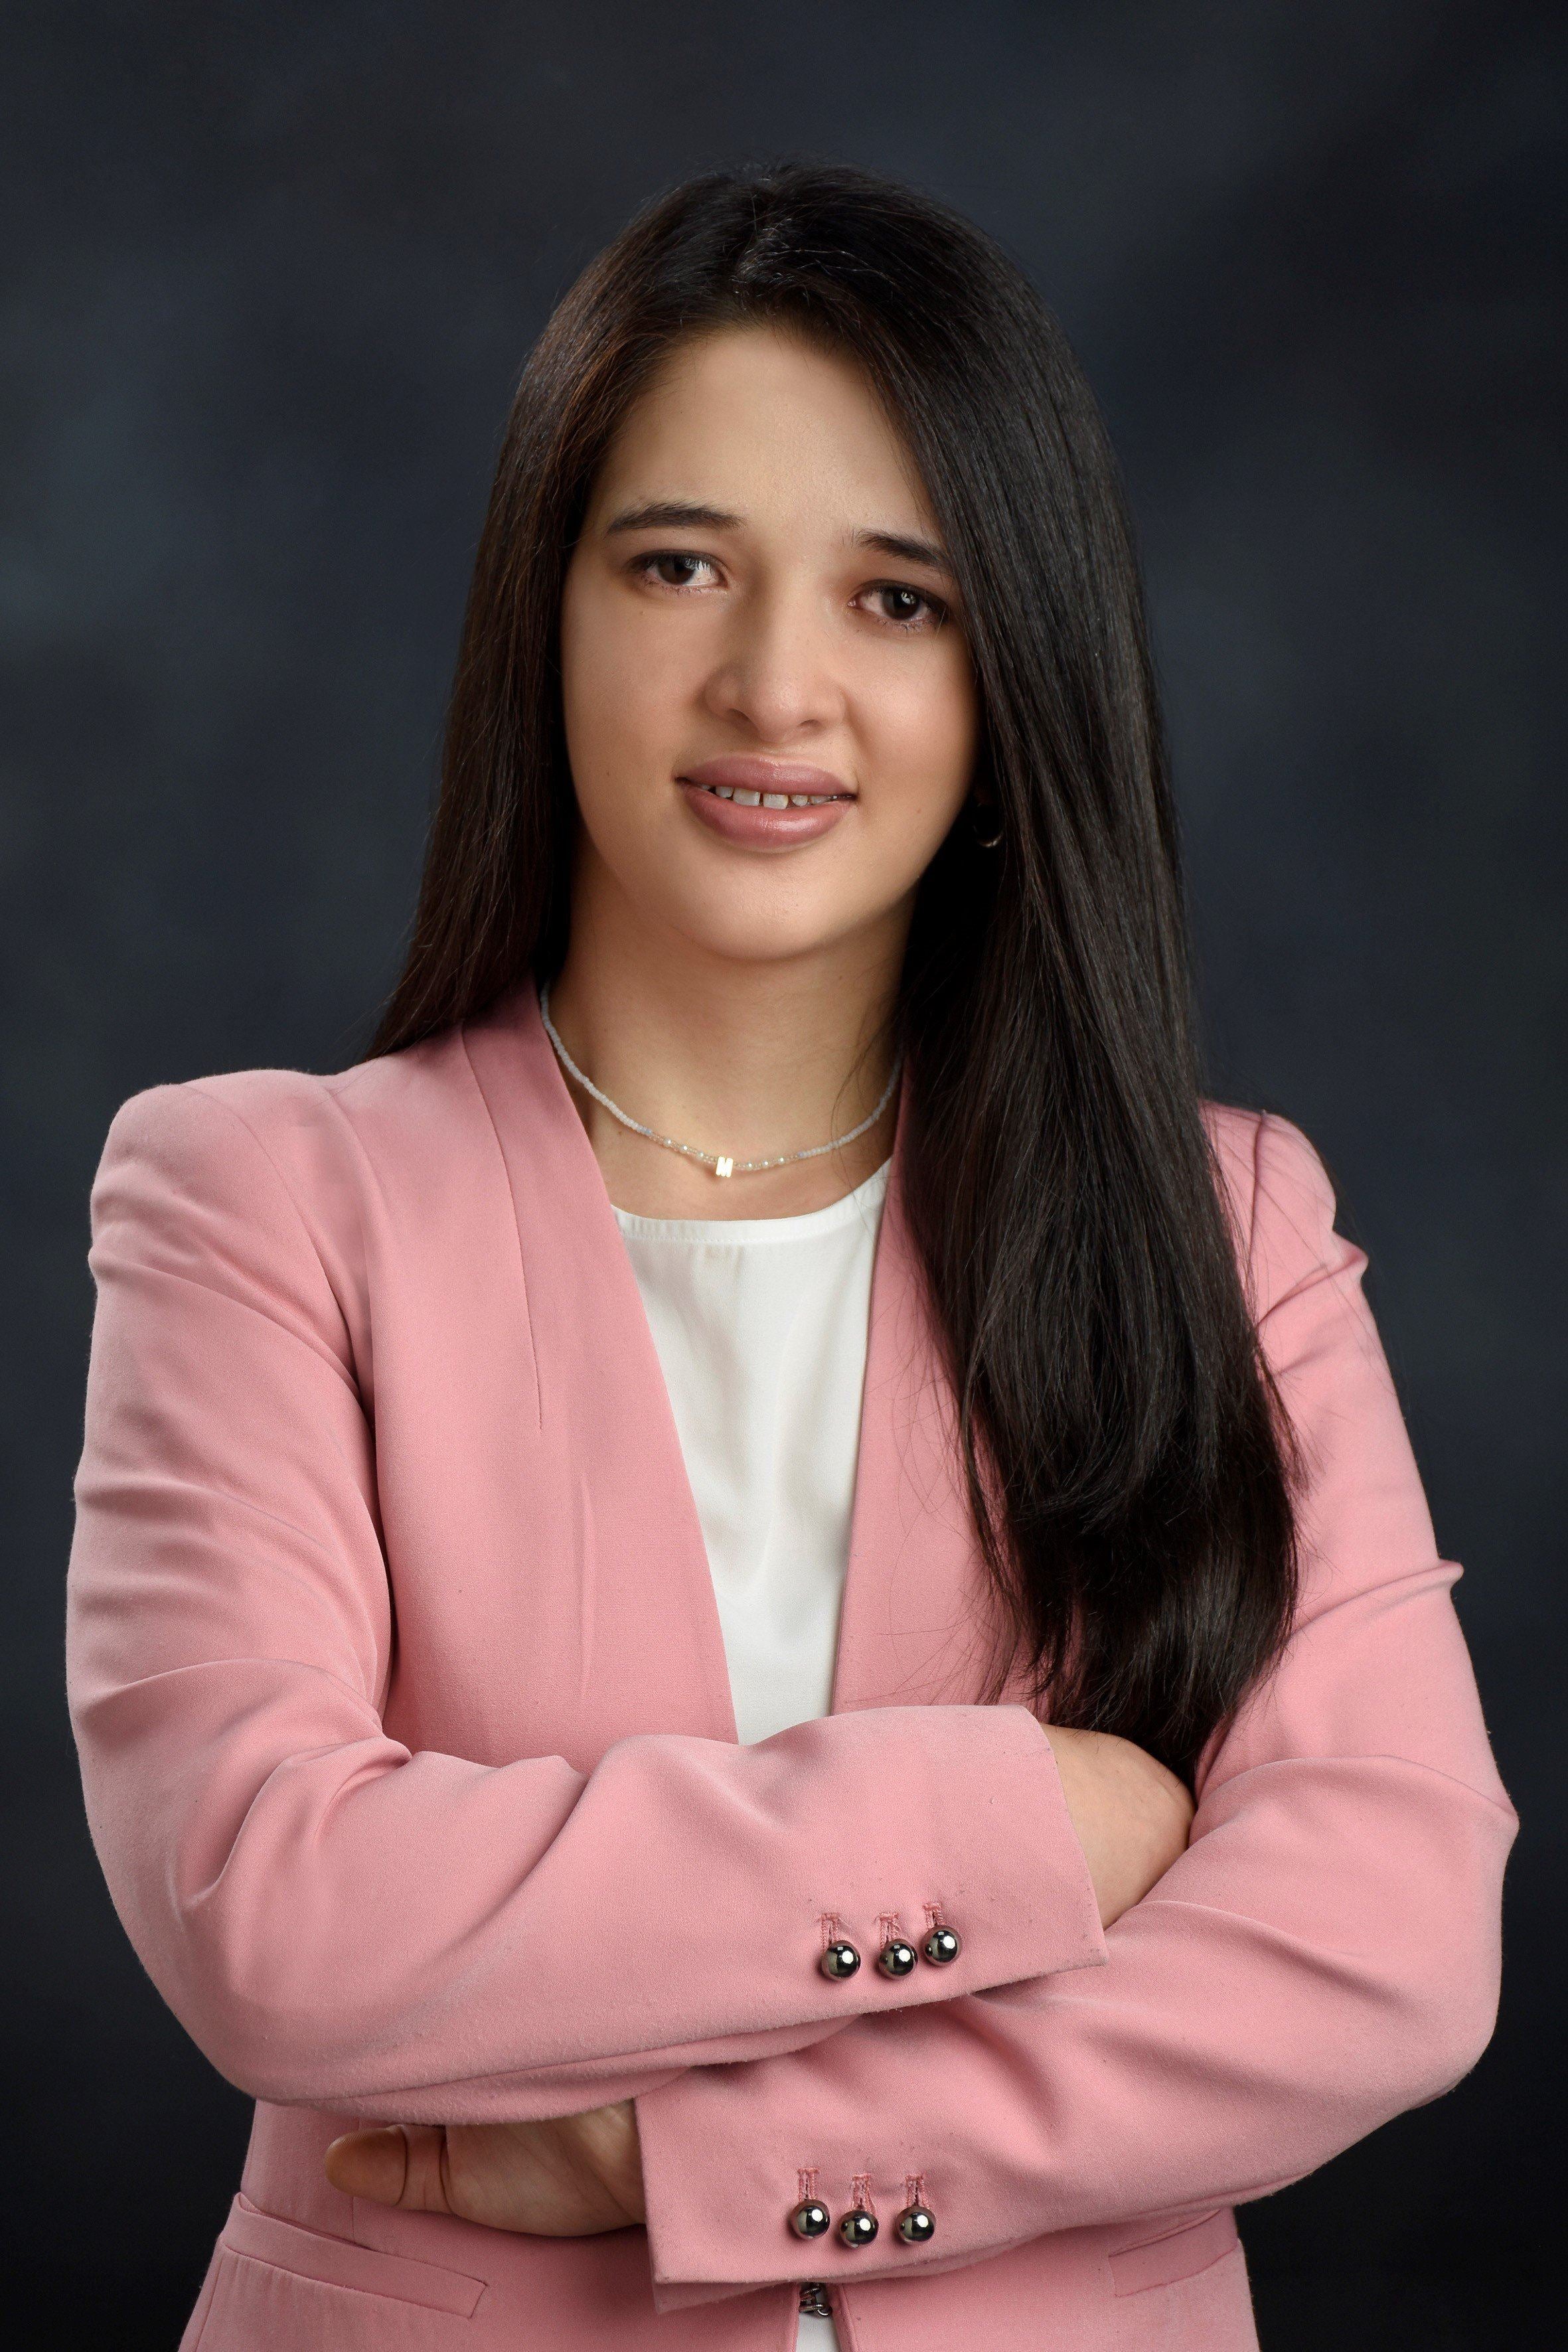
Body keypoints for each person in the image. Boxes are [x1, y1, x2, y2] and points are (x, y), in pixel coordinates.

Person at [64, 163, 1516, 2352]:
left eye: (899, 600)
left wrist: (700, 2166)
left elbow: (1385, 1939)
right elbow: (276, 1915)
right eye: (676, 566)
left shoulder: (1224, 1228)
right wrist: (1023, 1821)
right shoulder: (258, 1199)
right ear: (542, 609)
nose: (774, 686)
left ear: (1016, 667)